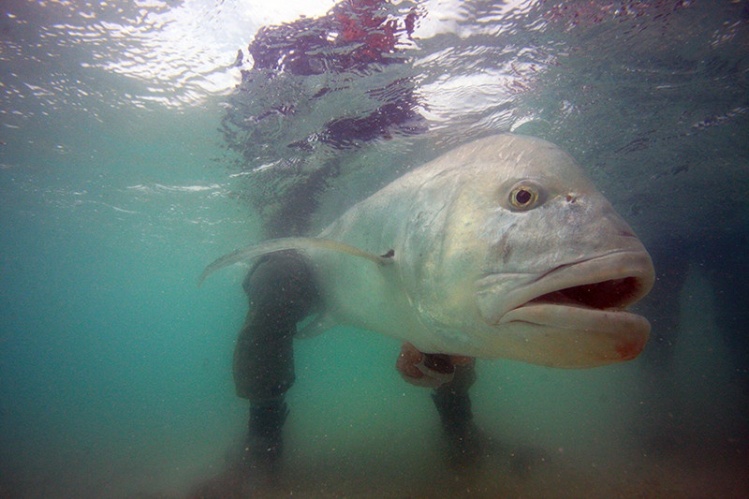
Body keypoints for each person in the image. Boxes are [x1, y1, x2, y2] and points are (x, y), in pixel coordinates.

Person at [234, 250, 484, 480]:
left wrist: (423, 330)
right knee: (276, 274)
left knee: (450, 259)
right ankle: (263, 434)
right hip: (306, 261)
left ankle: (459, 423)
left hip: (379, 248)